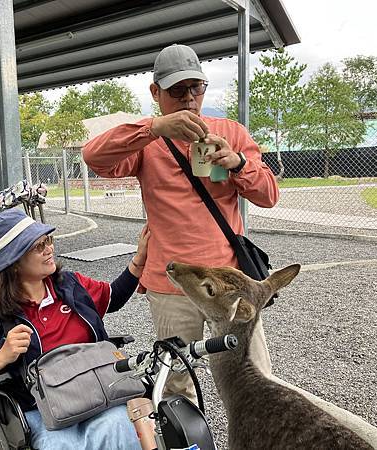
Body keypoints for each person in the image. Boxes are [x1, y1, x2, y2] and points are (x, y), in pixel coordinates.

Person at [82, 44, 279, 404]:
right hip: (172, 281)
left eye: (196, 88)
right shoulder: (146, 140)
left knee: (254, 377)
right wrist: (154, 128)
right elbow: (93, 156)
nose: (189, 98)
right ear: (155, 93)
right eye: (177, 90)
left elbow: (268, 195)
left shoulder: (230, 131)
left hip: (227, 280)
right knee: (175, 383)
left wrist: (236, 163)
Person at [0, 208, 149, 450]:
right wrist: (1, 357)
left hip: (97, 392)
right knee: (59, 444)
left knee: (117, 425)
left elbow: (113, 298)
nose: (49, 249)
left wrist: (139, 260)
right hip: (38, 410)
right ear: (14, 261)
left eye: (48, 241)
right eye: (38, 246)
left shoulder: (71, 285)